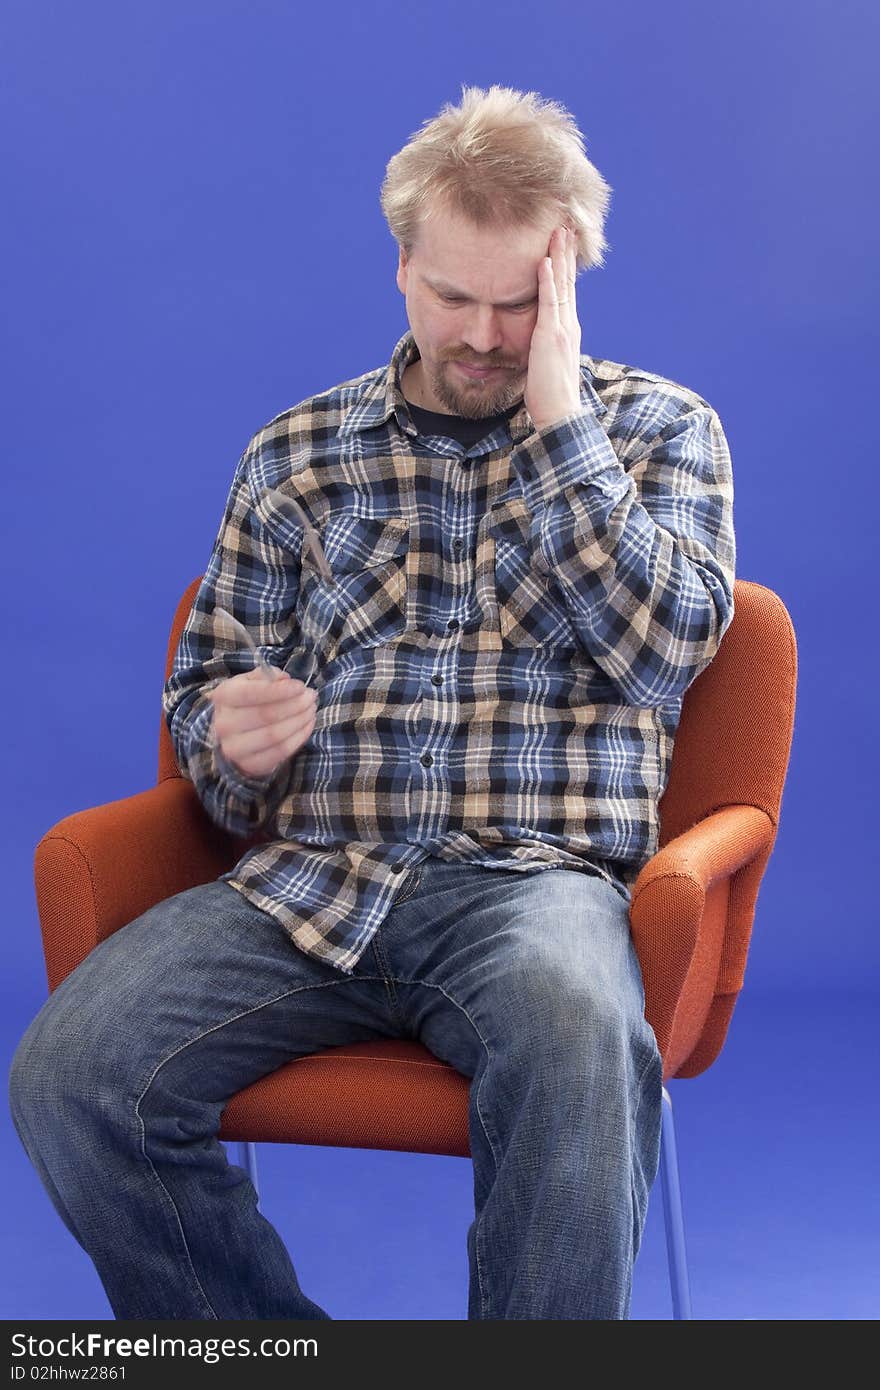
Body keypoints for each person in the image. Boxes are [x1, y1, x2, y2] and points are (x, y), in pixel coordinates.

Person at [8, 83, 736, 1320]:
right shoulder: (297, 452)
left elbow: (666, 652)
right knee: (70, 1070)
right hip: (313, 878)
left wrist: (561, 431)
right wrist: (227, 736)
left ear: (569, 285)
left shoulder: (662, 432)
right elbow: (205, 699)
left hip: (535, 887)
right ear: (401, 263)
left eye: (522, 304)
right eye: (454, 295)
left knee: (574, 1041)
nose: (485, 336)